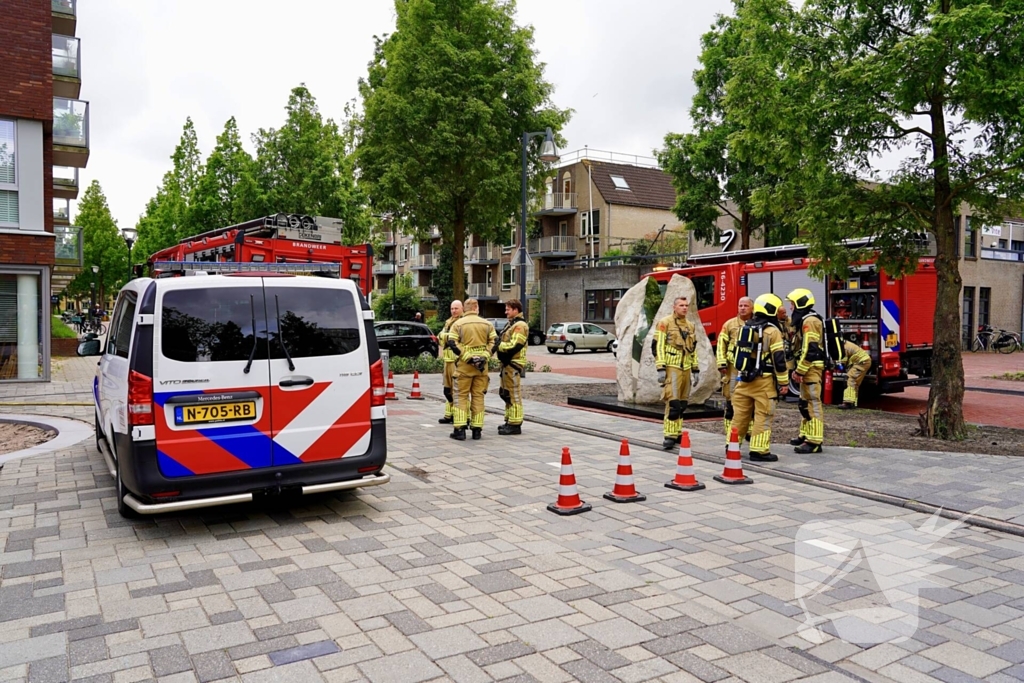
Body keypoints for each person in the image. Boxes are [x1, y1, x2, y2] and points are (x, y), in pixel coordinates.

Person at [729, 293, 790, 461]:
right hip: (764, 382)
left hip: (744, 380)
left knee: (740, 415)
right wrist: (784, 382)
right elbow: (779, 359)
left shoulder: (745, 327)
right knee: (763, 415)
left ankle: (732, 446)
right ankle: (759, 451)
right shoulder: (772, 331)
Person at [446, 298, 496, 441]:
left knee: (461, 396)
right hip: (482, 369)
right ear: (476, 308)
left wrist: (468, 357)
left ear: (465, 309)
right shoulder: (487, 324)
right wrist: (484, 356)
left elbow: (452, 342)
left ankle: (460, 430)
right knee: (478, 397)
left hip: (464, 368)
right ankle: (477, 430)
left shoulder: (458, 324)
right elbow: (495, 342)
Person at [655, 296, 699, 450]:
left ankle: (678, 431)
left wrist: (695, 369)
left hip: (686, 368)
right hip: (672, 367)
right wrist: (660, 367)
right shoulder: (664, 323)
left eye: (686, 305)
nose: (684, 308)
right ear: (674, 307)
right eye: (681, 305)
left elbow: (693, 349)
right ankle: (669, 435)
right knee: (673, 403)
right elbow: (658, 346)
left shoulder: (690, 326)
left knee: (682, 403)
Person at [787, 288, 825, 453]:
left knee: (812, 404)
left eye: (792, 304)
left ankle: (814, 441)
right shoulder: (805, 320)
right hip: (807, 368)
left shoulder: (810, 321)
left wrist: (800, 371)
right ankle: (805, 434)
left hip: (811, 368)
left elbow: (810, 349)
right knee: (804, 404)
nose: (791, 308)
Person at [717, 296, 754, 437]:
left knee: (750, 400)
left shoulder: (756, 325)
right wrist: (721, 362)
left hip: (750, 369)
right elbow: (721, 344)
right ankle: (730, 432)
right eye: (740, 305)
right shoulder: (730, 324)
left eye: (746, 306)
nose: (742, 308)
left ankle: (749, 431)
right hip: (732, 368)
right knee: (731, 400)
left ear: (752, 308)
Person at [496, 299, 529, 435]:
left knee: (513, 394)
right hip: (507, 364)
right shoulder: (512, 324)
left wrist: (498, 346)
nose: (505, 312)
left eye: (508, 309)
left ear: (515, 310)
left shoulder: (520, 325)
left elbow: (516, 345)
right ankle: (509, 420)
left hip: (513, 364)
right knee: (505, 394)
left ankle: (515, 424)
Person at [437, 299, 464, 424]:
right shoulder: (448, 322)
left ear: (462, 308)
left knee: (457, 390)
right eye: (452, 308)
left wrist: (445, 336)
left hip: (457, 361)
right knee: (447, 390)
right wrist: (446, 337)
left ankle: (460, 415)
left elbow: (454, 338)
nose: (453, 311)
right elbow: (440, 338)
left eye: (456, 308)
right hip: (447, 360)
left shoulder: (462, 322)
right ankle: (449, 414)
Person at [837, 335, 872, 410]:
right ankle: (853, 403)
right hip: (863, 361)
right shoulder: (846, 344)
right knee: (855, 383)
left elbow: (843, 360)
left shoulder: (844, 348)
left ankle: (848, 403)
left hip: (861, 362)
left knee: (850, 379)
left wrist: (837, 364)